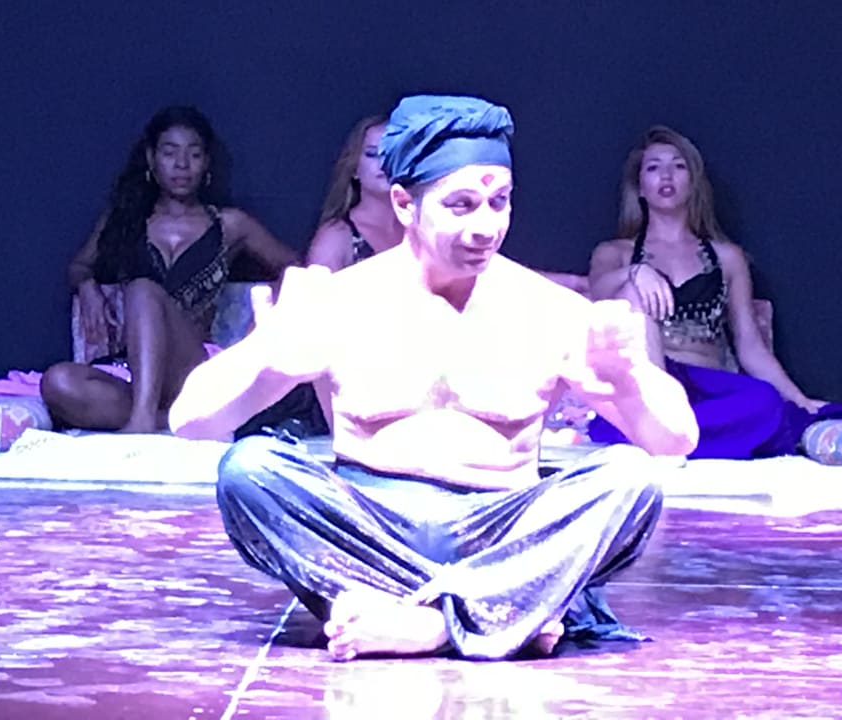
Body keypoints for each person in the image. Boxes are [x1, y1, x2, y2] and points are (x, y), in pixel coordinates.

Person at [169, 95, 698, 662]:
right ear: (404, 204)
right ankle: (506, 612)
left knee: (630, 478)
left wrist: (629, 382)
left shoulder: (546, 308)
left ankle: (432, 624)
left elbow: (675, 440)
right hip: (369, 532)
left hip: (504, 531)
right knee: (250, 469)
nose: (485, 226)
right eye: (461, 205)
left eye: (499, 202)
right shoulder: (341, 301)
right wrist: (267, 359)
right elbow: (190, 420)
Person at [586, 125, 842, 459]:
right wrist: (636, 273)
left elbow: (749, 344)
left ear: (693, 182)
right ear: (640, 186)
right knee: (630, 293)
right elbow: (598, 290)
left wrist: (800, 400)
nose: (666, 176)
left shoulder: (727, 257)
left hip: (707, 387)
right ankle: (660, 425)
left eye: (678, 166)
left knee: (765, 402)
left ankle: (663, 439)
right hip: (650, 387)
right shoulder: (616, 253)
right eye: (654, 168)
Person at [40, 106, 299, 433]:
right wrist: (87, 286)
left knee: (142, 290)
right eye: (169, 152)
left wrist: (269, 312)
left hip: (192, 369)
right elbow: (79, 266)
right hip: (134, 371)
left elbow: (294, 266)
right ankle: (171, 421)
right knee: (58, 381)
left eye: (194, 154)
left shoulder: (229, 224)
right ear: (151, 159)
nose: (182, 164)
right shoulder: (127, 219)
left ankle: (142, 423)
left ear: (206, 163)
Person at [306, 115, 404, 270]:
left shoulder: (422, 224)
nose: (384, 163)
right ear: (354, 167)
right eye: (372, 154)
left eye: (393, 153)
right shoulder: (336, 238)